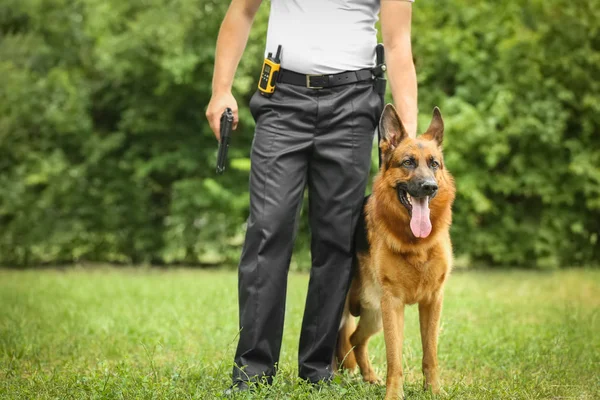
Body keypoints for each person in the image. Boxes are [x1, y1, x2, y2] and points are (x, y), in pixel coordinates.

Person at [205, 0, 418, 393]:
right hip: (281, 98)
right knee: (267, 230)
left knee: (336, 238)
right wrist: (221, 90)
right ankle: (253, 368)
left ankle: (318, 369)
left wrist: (407, 140)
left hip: (354, 105)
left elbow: (398, 41)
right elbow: (241, 10)